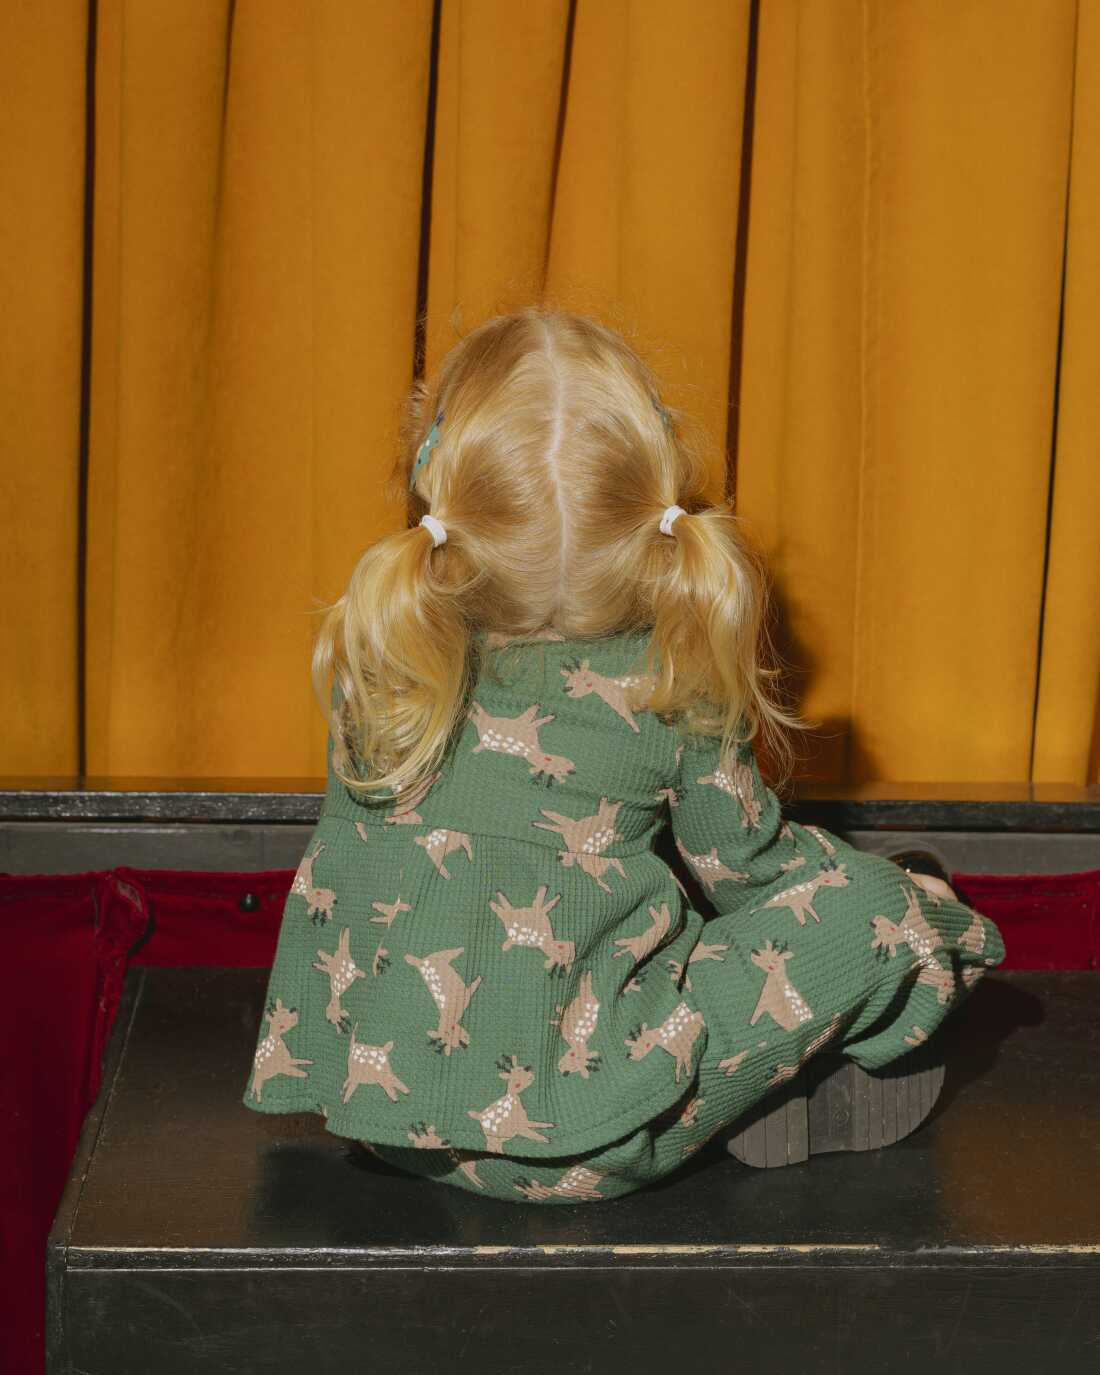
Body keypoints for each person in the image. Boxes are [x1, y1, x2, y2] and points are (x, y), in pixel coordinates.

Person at [241, 306, 1005, 1206]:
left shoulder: (383, 653)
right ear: (654, 505)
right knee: (876, 910)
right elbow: (749, 872)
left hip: (389, 1115)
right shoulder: (675, 678)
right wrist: (886, 896)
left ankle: (781, 1067)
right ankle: (895, 979)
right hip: (591, 1135)